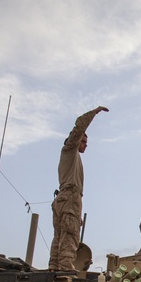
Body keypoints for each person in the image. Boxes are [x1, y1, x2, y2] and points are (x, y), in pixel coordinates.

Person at [49, 106, 108, 271]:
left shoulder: (71, 158)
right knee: (70, 236)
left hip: (65, 199)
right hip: (70, 197)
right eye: (83, 141)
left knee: (60, 235)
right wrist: (94, 113)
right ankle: (65, 267)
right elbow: (78, 128)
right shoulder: (69, 149)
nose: (85, 145)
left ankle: (54, 266)